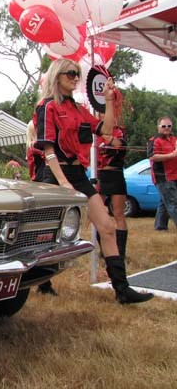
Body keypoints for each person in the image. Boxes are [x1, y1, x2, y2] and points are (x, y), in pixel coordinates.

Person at [34, 58, 153, 304]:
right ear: (57, 76)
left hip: (78, 174)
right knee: (47, 233)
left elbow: (107, 129)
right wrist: (62, 182)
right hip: (55, 174)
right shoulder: (47, 107)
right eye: (71, 74)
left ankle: (122, 290)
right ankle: (40, 282)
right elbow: (48, 149)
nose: (76, 78)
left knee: (107, 227)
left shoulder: (79, 109)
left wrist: (109, 100)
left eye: (77, 74)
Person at [26, 121, 58, 296]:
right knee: (43, 237)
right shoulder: (35, 147)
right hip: (42, 188)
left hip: (41, 187)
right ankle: (43, 283)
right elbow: (51, 157)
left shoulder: (33, 146)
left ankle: (44, 283)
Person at [96, 125, 129, 259]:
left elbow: (119, 144)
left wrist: (102, 133)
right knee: (99, 214)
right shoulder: (94, 133)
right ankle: (104, 250)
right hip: (100, 175)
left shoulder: (119, 131)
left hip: (115, 173)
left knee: (118, 214)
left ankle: (120, 252)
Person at [147, 116, 177, 227]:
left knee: (164, 202)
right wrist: (172, 155)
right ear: (158, 127)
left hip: (175, 175)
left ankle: (160, 226)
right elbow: (152, 156)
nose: (167, 128)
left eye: (169, 126)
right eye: (164, 126)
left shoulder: (174, 139)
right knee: (173, 203)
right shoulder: (154, 140)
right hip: (163, 176)